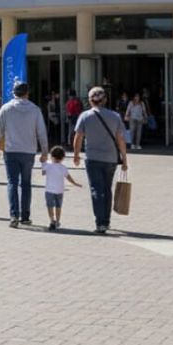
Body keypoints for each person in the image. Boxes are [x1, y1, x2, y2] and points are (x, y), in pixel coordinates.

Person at [0, 81, 50, 228]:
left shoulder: (6, 108)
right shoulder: (35, 110)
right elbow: (41, 132)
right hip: (28, 152)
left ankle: (14, 215)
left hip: (11, 151)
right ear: (27, 93)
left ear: (13, 93)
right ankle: (26, 216)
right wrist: (45, 151)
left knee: (12, 183)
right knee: (26, 184)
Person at [73, 86, 128, 235]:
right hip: (110, 158)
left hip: (92, 158)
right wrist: (124, 158)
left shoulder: (84, 116)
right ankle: (107, 220)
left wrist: (76, 155)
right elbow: (121, 138)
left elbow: (78, 137)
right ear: (105, 100)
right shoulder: (115, 116)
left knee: (96, 189)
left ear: (90, 101)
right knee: (107, 189)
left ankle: (100, 222)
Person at [41, 145, 82, 231]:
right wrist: (75, 183)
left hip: (49, 190)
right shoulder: (63, 168)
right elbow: (68, 178)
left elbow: (43, 173)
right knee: (58, 206)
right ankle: (58, 221)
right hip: (60, 191)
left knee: (50, 206)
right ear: (63, 158)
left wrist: (43, 163)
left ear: (51, 156)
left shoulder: (48, 165)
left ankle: (52, 220)